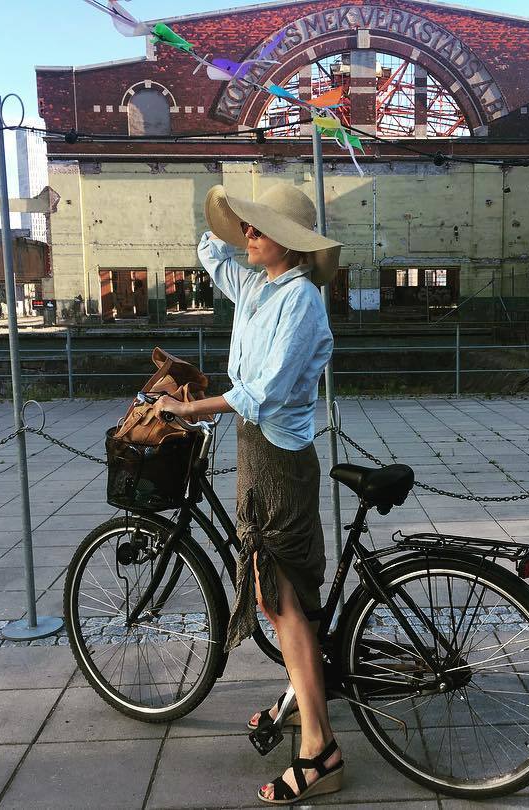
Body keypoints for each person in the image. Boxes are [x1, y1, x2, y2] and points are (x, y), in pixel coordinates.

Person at [157, 182, 344, 805]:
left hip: (279, 462)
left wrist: (189, 409)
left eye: (261, 228)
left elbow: (263, 393)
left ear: (289, 242)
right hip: (256, 453)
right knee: (276, 597)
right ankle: (302, 694)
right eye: (249, 227)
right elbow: (212, 251)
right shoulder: (259, 287)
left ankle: (320, 749)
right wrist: (230, 213)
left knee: (279, 598)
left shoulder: (301, 301)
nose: (249, 236)